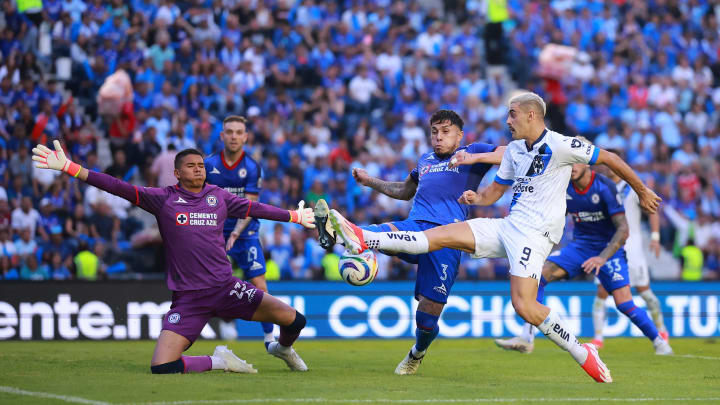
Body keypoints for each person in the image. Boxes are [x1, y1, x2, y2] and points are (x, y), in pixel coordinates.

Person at [322, 92, 662, 383]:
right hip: (507, 226)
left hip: (534, 235)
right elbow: (493, 193)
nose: (507, 120)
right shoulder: (515, 151)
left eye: (512, 114)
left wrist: (642, 189)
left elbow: (611, 158)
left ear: (532, 115)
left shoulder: (560, 144)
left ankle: (580, 349)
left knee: (525, 306)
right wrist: (477, 199)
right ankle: (362, 236)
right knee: (435, 237)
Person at [32, 140, 315, 374]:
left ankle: (283, 349)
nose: (198, 170)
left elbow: (257, 209)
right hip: (189, 298)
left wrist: (294, 216)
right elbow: (117, 186)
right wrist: (70, 167)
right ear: (177, 173)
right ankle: (220, 361)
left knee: (295, 321)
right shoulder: (163, 198)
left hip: (227, 288)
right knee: (162, 366)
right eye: (191, 166)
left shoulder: (219, 197)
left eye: (201, 166)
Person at [315, 109, 502, 375]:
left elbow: (509, 153)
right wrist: (370, 181)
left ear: (459, 136)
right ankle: (341, 234)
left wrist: (474, 158)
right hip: (413, 228)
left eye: (445, 132)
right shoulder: (425, 160)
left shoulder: (473, 152)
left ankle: (418, 352)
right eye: (434, 132)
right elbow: (404, 191)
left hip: (447, 240)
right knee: (374, 232)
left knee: (426, 318)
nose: (438, 138)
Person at [494, 159, 673, 356]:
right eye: (568, 164)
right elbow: (554, 219)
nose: (571, 168)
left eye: (576, 163)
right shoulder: (564, 188)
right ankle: (527, 337)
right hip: (580, 247)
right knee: (538, 277)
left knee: (624, 304)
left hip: (608, 250)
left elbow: (623, 229)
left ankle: (659, 342)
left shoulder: (605, 187)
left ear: (586, 163)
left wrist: (602, 258)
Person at [204, 115, 273, 343]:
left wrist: (236, 232)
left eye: (238, 132)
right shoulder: (209, 165)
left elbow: (251, 206)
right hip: (216, 233)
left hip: (246, 233)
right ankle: (226, 323)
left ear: (245, 137)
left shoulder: (252, 167)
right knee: (217, 284)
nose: (234, 136)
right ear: (222, 136)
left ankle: (270, 338)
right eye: (229, 132)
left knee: (259, 285)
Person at [590, 162, 669, 347]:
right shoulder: (600, 187)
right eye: (605, 164)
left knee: (645, 292)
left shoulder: (633, 188)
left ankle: (662, 330)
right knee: (602, 292)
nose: (608, 168)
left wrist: (655, 237)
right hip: (608, 248)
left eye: (611, 164)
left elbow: (653, 209)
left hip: (632, 249)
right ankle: (598, 338)